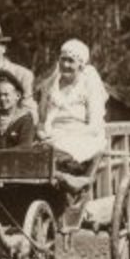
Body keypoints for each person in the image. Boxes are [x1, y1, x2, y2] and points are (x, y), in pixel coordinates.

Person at [36, 38, 109, 171]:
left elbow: (94, 126)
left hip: (81, 137)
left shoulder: (89, 85)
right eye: (63, 59)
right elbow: (41, 120)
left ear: (81, 65)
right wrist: (42, 134)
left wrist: (63, 136)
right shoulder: (50, 86)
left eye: (71, 61)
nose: (65, 64)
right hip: (51, 137)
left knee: (62, 155)